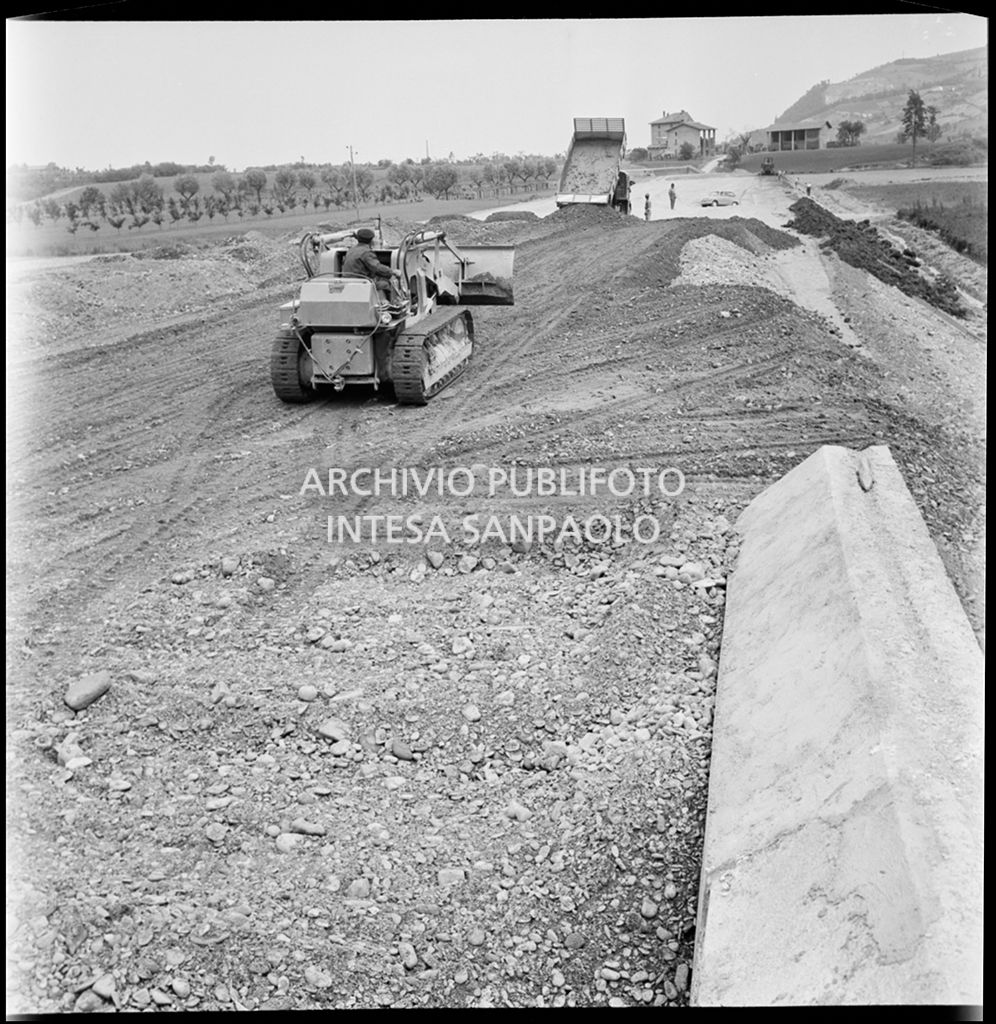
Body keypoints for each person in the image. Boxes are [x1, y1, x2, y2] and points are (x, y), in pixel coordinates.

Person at [342, 227, 402, 300]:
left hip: (349, 282)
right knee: (384, 284)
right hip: (361, 283)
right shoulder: (366, 253)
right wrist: (393, 272)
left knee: (379, 279)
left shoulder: (351, 250)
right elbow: (377, 268)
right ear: (371, 241)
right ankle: (384, 305)